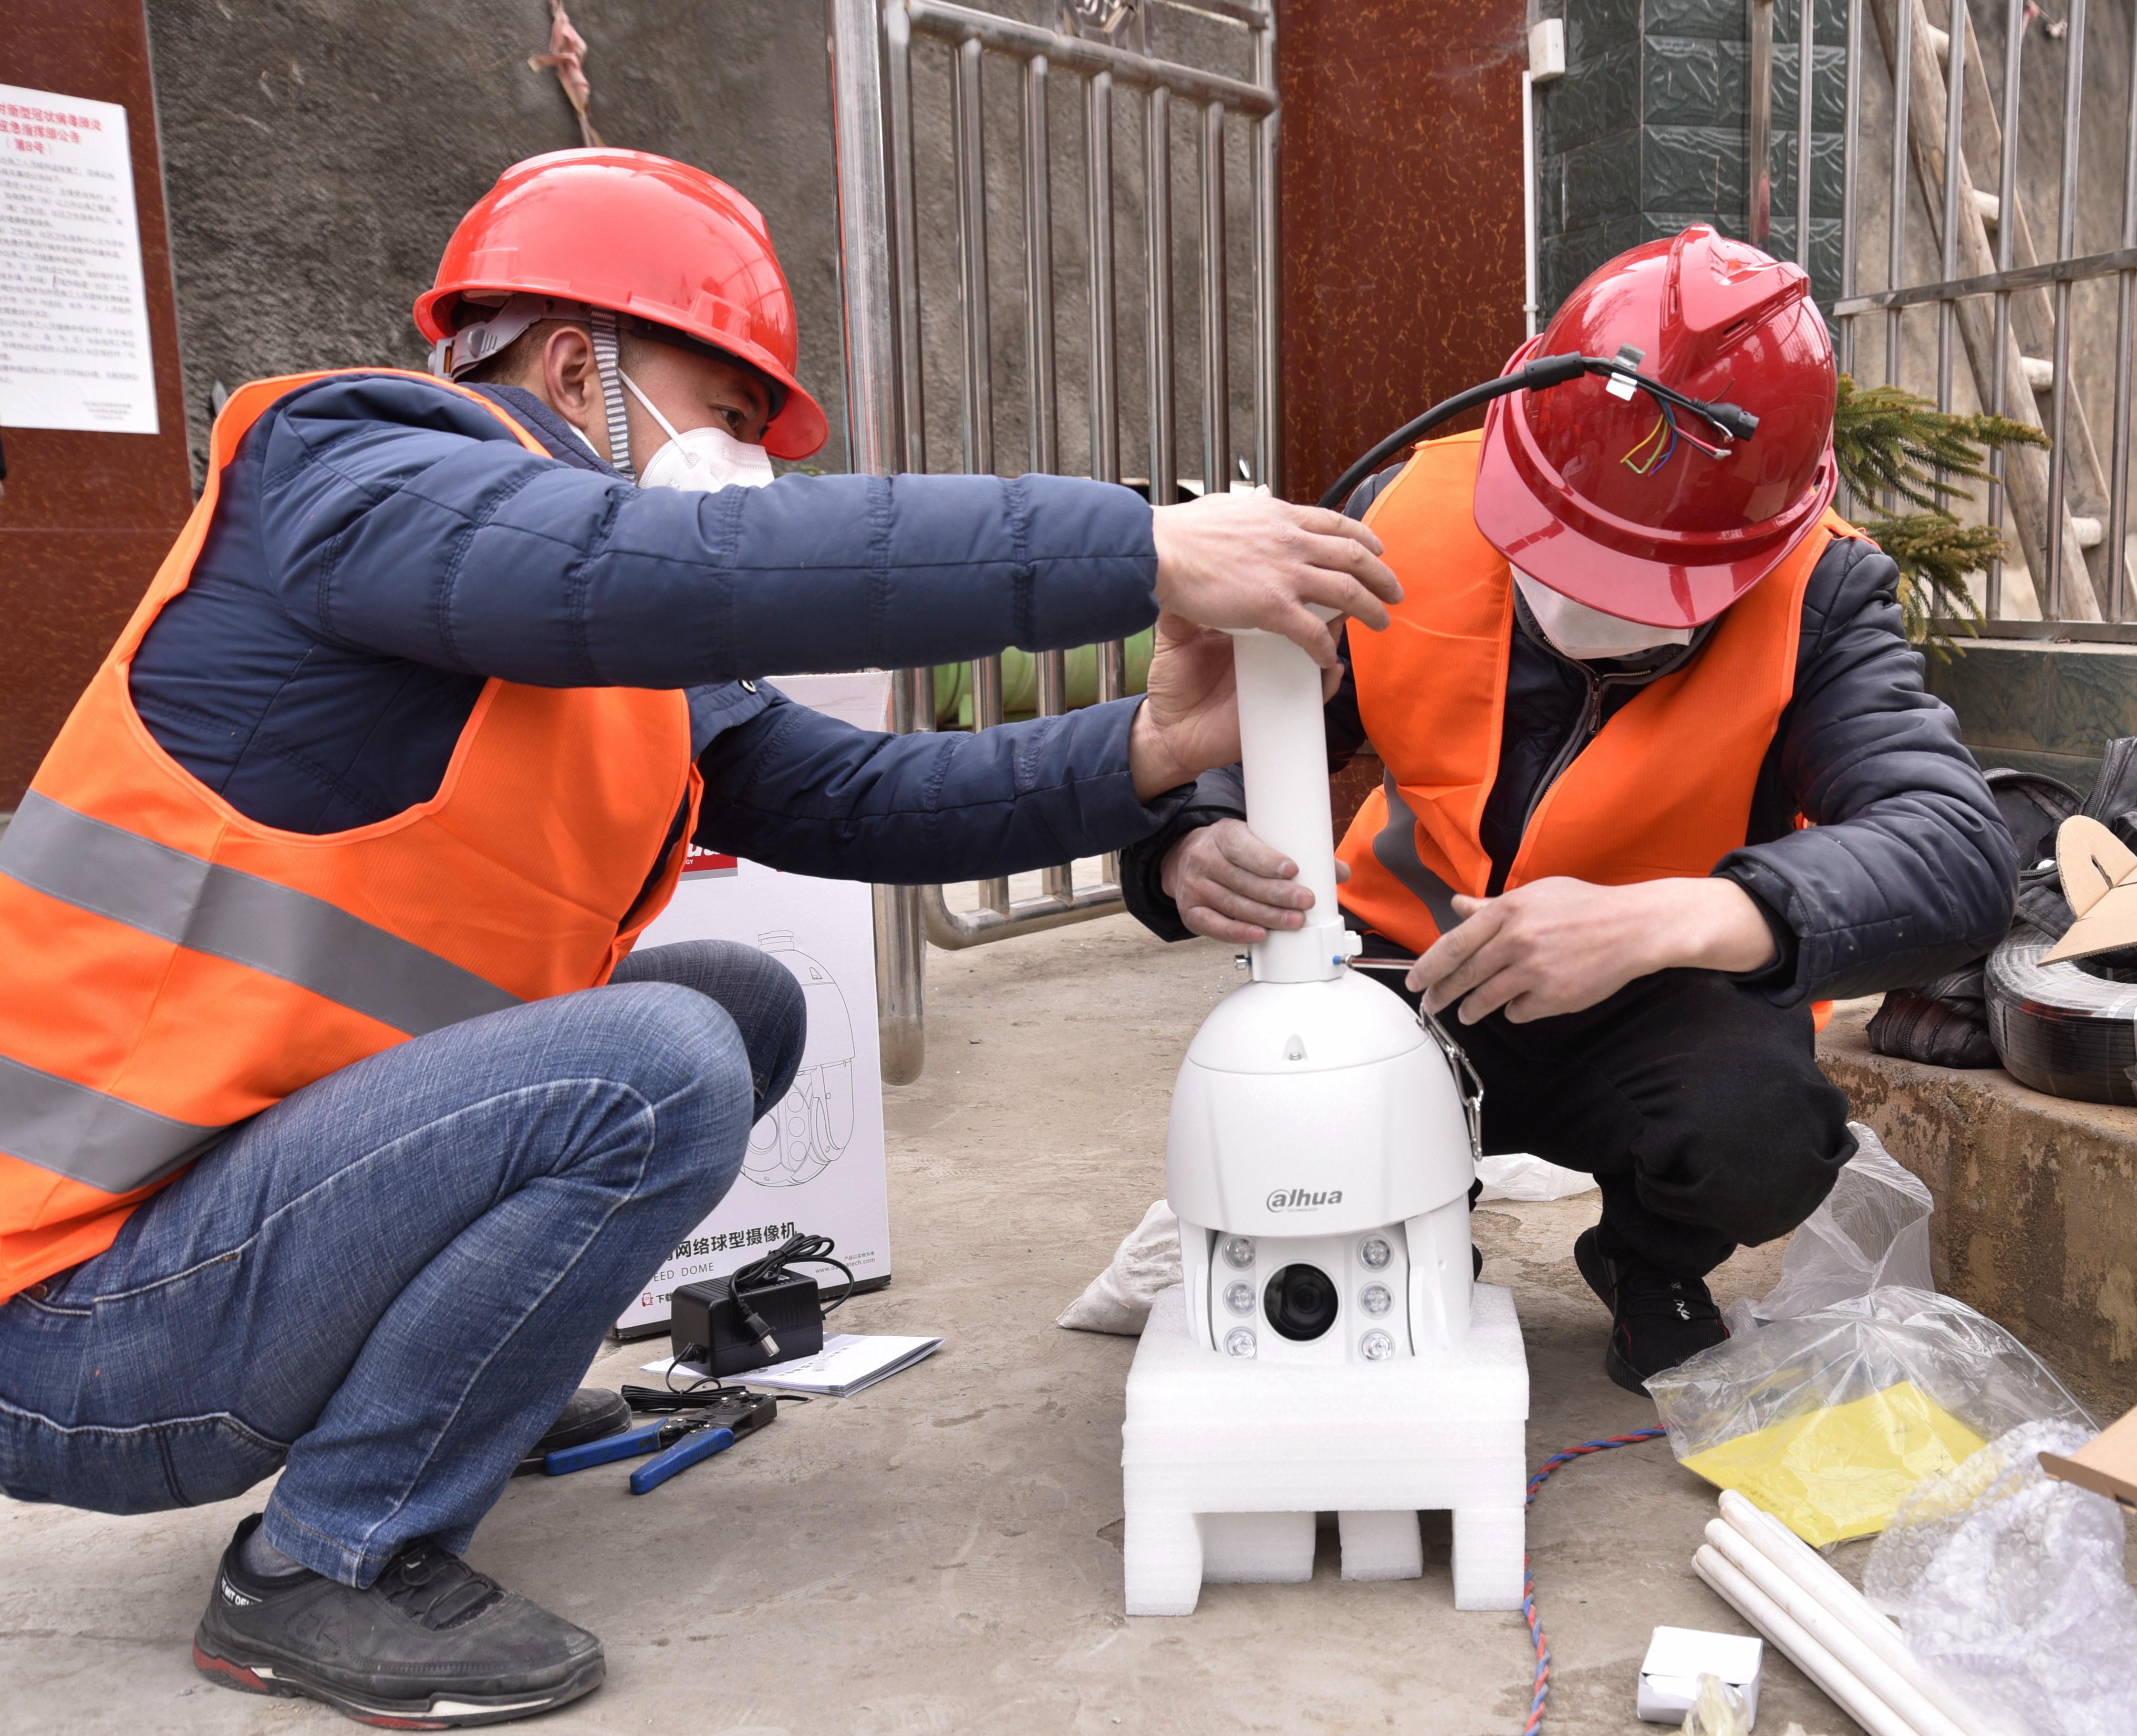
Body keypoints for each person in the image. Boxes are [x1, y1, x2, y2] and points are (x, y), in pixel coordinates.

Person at [0, 148, 1400, 1727]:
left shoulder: (595, 624)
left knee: (731, 1009)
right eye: (729, 419)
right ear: (574, 366)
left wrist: (1143, 754)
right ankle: (327, 1562)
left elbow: (862, 803)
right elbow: (659, 569)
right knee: (654, 1064)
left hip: (240, 1237)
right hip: (71, 1321)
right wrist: (1131, 550)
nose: (743, 467)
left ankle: (460, 1399)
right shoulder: (352, 479)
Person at [1123, 227, 2013, 1397]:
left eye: (1645, 584)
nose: (1590, 600)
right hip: (1409, 970)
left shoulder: (1823, 592)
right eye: (1564, 554)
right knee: (1300, 1124)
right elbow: (1238, 721)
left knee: (1761, 1132)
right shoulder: (1408, 514)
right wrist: (1188, 831)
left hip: (1651, 1002)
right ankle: (1420, 1239)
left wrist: (1656, 922)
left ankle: (1646, 1263)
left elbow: (1952, 853)